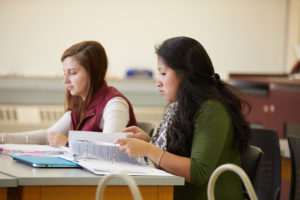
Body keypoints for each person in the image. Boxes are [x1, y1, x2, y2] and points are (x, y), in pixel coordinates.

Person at [115, 36, 251, 200]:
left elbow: (198, 171)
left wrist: (149, 149)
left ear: (186, 74)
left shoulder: (212, 109)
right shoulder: (180, 106)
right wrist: (148, 142)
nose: (159, 82)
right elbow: (178, 153)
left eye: (164, 73)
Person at [0, 41, 137, 146]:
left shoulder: (115, 104)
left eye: (72, 73)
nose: (65, 80)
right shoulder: (81, 102)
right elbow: (48, 137)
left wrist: (68, 143)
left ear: (93, 73)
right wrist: (3, 138)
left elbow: (110, 148)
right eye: (64, 73)